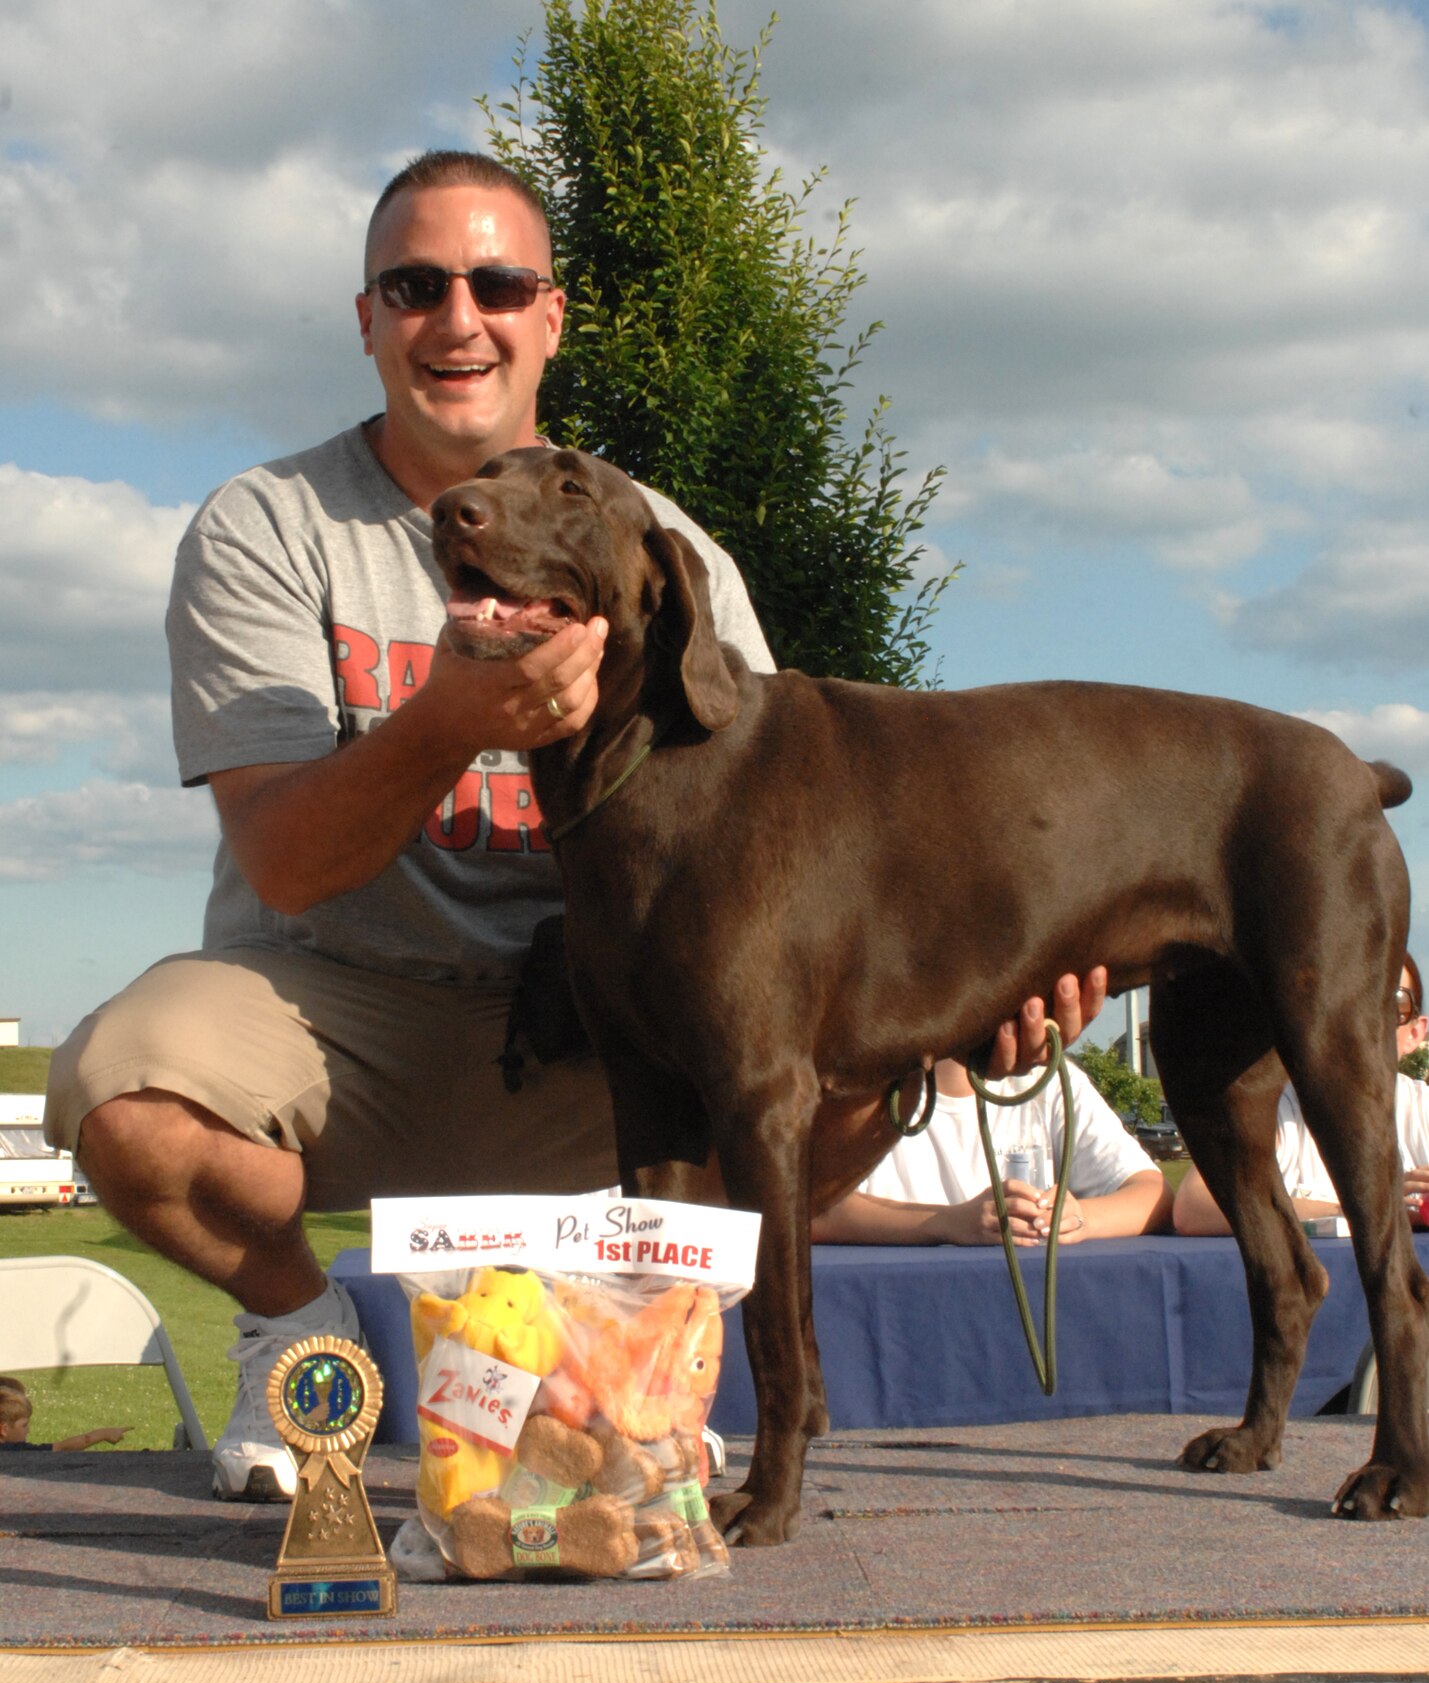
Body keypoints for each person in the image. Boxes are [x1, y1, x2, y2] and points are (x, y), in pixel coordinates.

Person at [44, 149, 1106, 1503]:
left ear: (551, 317)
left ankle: (647, 1368)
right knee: (125, 1087)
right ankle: (302, 1337)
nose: (458, 317)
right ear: (367, 319)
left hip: (604, 1027)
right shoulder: (268, 526)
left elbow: (787, 857)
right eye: (415, 285)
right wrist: (454, 718)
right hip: (339, 1017)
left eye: (499, 283)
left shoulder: (668, 550)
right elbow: (290, 860)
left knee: (848, 1061)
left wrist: (976, 994)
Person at [1173, 955, 1429, 1233]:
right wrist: (1359, 1210)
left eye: (1391, 1004)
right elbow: (1194, 1207)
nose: (1362, 1020)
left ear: (1416, 1033)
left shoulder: (1421, 1110)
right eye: (1344, 998)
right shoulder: (1276, 1110)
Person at [813, 1056, 1170, 1245]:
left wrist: (1076, 1219)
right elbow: (808, 1211)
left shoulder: (1051, 1082)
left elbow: (1152, 1194)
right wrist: (948, 1223)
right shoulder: (862, 1089)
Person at [0, 1377, 130, 1453]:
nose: (28, 1430)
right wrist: (104, 1434)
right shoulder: (18, 1451)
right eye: (24, 1425)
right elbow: (63, 1447)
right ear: (4, 1429)